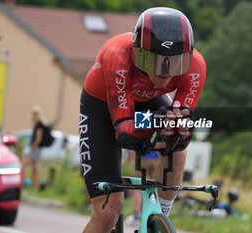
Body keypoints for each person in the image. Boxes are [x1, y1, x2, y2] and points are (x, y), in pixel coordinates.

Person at [80, 7, 206, 232]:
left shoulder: (195, 66)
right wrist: (154, 123)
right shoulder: (117, 54)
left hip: (147, 101)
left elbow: (182, 133)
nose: (165, 72)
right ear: (138, 53)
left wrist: (180, 128)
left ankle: (157, 220)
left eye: (174, 62)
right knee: (108, 211)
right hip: (102, 107)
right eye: (155, 62)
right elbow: (124, 133)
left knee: (177, 150)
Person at [124, 150, 160, 226]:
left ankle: (137, 215)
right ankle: (152, 215)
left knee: (139, 187)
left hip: (143, 157)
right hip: (157, 158)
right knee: (154, 187)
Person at [22, 105, 48, 191]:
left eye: (35, 113)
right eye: (33, 113)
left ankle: (23, 185)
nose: (34, 115)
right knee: (35, 168)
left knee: (24, 165)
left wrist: (32, 149)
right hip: (37, 148)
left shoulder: (39, 124)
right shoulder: (38, 124)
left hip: (36, 148)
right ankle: (35, 187)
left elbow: (38, 138)